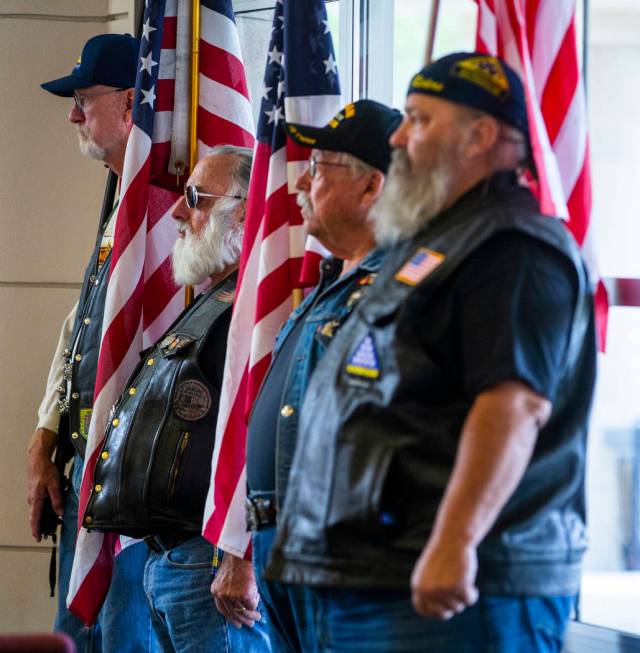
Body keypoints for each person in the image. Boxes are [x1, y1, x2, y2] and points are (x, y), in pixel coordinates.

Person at [266, 52, 597, 652]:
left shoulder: (512, 247)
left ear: (480, 136)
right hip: (368, 576)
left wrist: (455, 542)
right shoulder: (431, 247)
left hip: (450, 588)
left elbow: (512, 407)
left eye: (418, 120)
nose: (398, 137)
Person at [81, 147, 272, 653]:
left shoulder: (252, 313)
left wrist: (242, 555)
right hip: (176, 561)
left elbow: (261, 443)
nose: (177, 212)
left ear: (246, 209)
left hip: (211, 566)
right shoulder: (215, 302)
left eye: (195, 198)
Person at [241, 100, 401, 653]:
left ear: (371, 187)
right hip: (279, 540)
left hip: (335, 552)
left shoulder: (397, 290)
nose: (300, 184)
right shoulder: (335, 282)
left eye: (321, 167)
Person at [27, 33, 154, 652]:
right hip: (90, 469)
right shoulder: (119, 194)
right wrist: (49, 430)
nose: (74, 115)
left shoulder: (163, 205)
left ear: (132, 102)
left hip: (136, 488)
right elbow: (84, 321)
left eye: (84, 98)